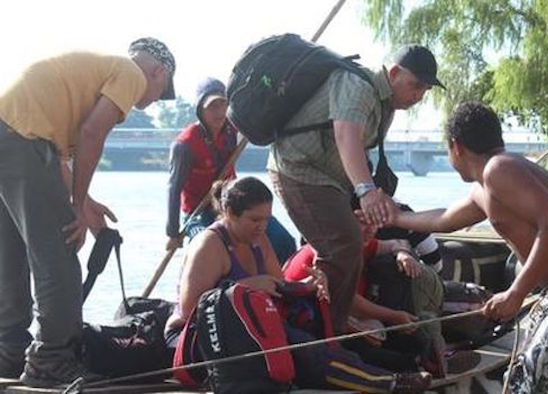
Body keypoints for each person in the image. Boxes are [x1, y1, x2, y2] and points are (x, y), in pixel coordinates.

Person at [381, 101, 548, 393]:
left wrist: (516, 293)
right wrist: (397, 216)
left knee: (542, 380)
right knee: (521, 381)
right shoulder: (486, 187)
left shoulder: (500, 169)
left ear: (455, 146)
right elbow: (445, 219)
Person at [0, 37, 176, 387]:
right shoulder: (130, 73)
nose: (155, 99)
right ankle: (50, 359)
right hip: (23, 143)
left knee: (12, 255)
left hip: (10, 136)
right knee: (59, 255)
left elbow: (56, 158)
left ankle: (9, 354)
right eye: (162, 90)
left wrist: (86, 202)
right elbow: (92, 133)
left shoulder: (95, 71)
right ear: (158, 72)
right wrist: (76, 208)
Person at [164, 177, 431, 393]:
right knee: (297, 347)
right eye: (254, 220)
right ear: (229, 214)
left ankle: (389, 373)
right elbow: (190, 311)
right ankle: (384, 383)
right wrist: (247, 284)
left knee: (311, 339)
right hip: (199, 339)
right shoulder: (209, 244)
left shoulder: (258, 239)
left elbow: (278, 287)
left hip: (247, 330)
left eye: (266, 219)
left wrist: (310, 284)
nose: (262, 227)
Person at [268, 44, 444, 334]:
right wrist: (366, 191)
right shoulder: (357, 85)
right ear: (395, 73)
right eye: (416, 86)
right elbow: (345, 133)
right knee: (345, 245)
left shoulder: (386, 105)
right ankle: (333, 332)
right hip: (298, 170)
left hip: (330, 180)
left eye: (425, 90)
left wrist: (369, 196)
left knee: (354, 240)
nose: (419, 96)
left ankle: (332, 324)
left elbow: (360, 152)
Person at [283, 219, 446, 376]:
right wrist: (391, 317)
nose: (370, 229)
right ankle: (416, 366)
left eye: (372, 223)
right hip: (311, 326)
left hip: (343, 316)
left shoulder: (359, 243)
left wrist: (402, 254)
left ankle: (427, 358)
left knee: (405, 338)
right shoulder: (331, 252)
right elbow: (348, 300)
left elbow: (396, 243)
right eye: (361, 223)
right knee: (377, 352)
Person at [165, 77, 296, 263]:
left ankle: (280, 284)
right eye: (212, 107)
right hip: (199, 212)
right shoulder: (185, 145)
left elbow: (259, 116)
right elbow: (174, 188)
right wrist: (172, 232)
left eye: (223, 105)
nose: (219, 113)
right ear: (200, 109)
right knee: (205, 250)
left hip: (232, 204)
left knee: (283, 242)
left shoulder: (232, 129)